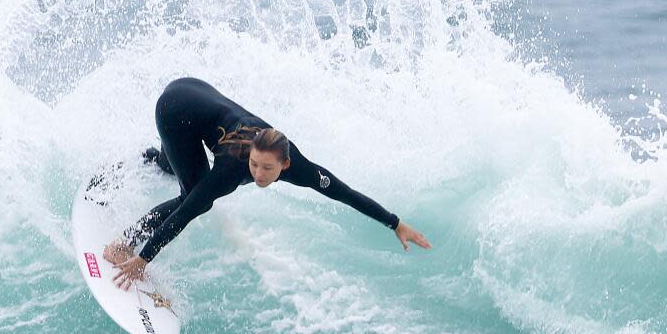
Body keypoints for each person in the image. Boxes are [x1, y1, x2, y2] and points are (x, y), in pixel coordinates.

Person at [105, 77, 431, 289]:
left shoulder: (299, 167)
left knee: (185, 166)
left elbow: (344, 193)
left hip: (196, 93)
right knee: (195, 193)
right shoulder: (232, 167)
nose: (259, 174)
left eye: (267, 169)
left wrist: (396, 223)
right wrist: (143, 258)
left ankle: (158, 158)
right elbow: (187, 212)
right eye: (255, 165)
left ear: (285, 165)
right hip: (176, 108)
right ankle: (125, 242)